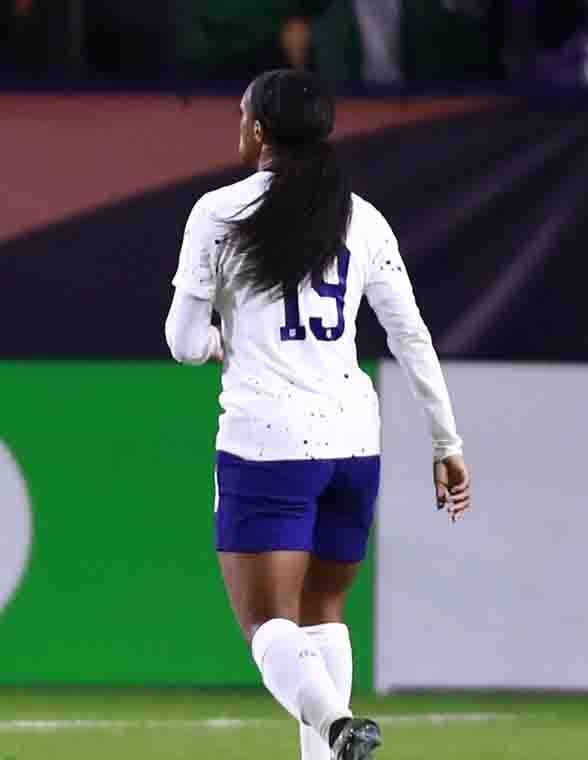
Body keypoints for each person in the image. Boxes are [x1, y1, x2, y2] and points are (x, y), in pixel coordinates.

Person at [164, 69, 470, 760]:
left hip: (266, 439)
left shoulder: (218, 211)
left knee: (268, 624)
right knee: (323, 613)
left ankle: (334, 726)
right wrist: (445, 442)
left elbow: (182, 344)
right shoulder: (362, 217)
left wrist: (222, 342)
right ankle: (332, 741)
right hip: (352, 441)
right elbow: (409, 335)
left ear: (258, 130)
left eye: (242, 115)